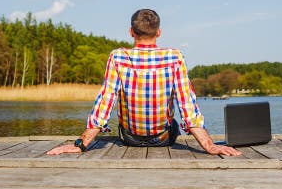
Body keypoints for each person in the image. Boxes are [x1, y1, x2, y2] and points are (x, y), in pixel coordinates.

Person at [47, 9, 240, 156]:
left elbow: (105, 102)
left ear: (131, 32)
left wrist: (80, 144)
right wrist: (209, 145)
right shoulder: (174, 57)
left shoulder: (118, 57)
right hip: (163, 139)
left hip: (129, 138)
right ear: (159, 32)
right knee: (172, 120)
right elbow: (187, 106)